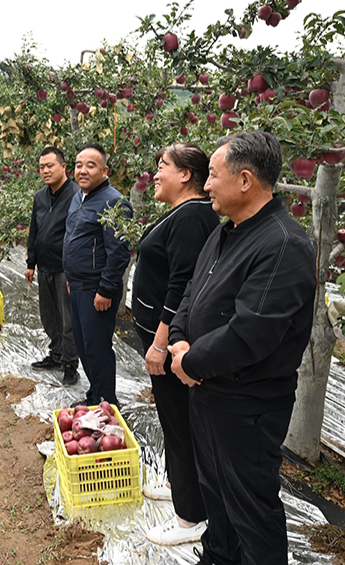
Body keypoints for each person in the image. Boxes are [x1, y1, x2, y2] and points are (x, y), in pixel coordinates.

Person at [168, 131, 315, 565]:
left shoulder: (283, 244)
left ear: (245, 180)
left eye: (212, 175)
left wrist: (189, 360)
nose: (206, 184)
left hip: (247, 406)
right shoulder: (224, 232)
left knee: (251, 507)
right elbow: (192, 292)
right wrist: (178, 337)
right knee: (217, 497)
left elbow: (251, 331)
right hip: (209, 395)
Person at [131, 143, 218, 546]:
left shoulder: (190, 218)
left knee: (181, 423)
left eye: (162, 165)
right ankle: (182, 486)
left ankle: (190, 518)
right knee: (174, 419)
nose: (155, 172)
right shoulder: (185, 214)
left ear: (185, 175)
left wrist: (161, 343)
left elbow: (181, 285)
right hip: (162, 335)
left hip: (167, 340)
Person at [62, 143, 132, 407]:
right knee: (84, 347)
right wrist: (71, 277)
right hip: (78, 286)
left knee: (97, 349)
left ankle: (105, 403)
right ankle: (95, 396)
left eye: (90, 165)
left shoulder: (113, 202)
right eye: (79, 165)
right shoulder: (78, 197)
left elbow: (118, 253)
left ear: (105, 170)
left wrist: (105, 289)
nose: (82, 170)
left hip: (96, 290)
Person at [25, 146, 81, 387]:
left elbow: (78, 234)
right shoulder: (40, 197)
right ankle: (56, 355)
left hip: (64, 269)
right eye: (41, 167)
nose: (45, 171)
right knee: (49, 316)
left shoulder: (76, 195)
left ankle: (70, 364)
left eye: (50, 166)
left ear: (63, 167)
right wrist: (30, 262)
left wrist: (73, 270)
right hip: (45, 266)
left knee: (68, 320)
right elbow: (34, 231)